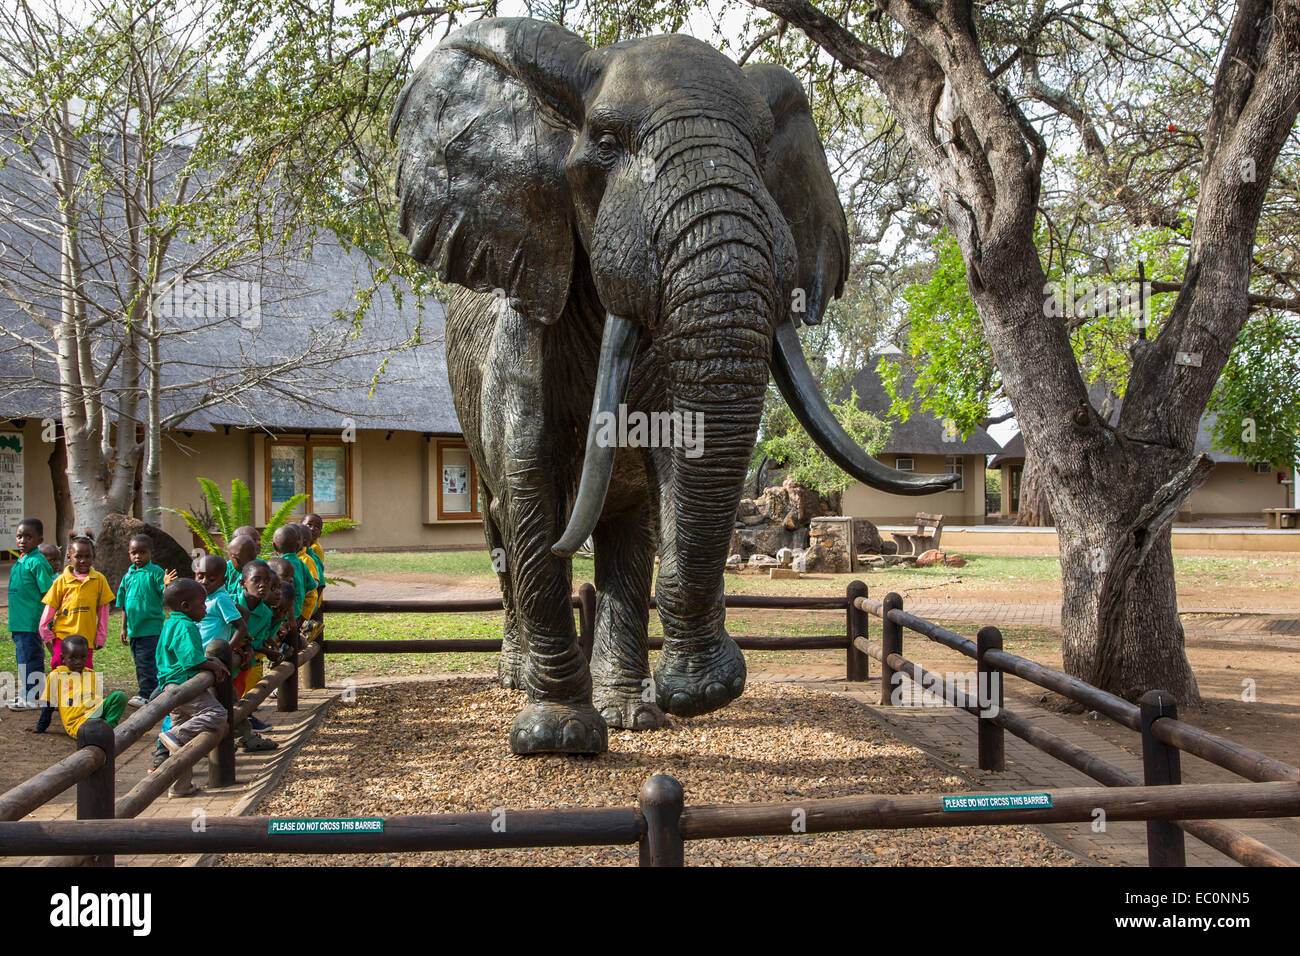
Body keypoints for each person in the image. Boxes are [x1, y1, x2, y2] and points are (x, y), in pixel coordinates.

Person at [155, 578, 230, 797]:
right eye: (202, 603)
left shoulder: (170, 622)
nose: (205, 607)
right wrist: (212, 663)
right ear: (186, 606)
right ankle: (175, 734)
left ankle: (180, 786)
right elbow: (190, 659)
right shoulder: (185, 626)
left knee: (181, 745)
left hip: (171, 686)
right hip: (183, 684)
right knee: (216, 713)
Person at [116, 534, 177, 708]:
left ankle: (146, 695)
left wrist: (166, 584)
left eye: (142, 552)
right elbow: (124, 604)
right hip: (134, 630)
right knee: (140, 662)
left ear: (151, 553)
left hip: (151, 629)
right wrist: (123, 628)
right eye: (134, 553)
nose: (137, 557)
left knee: (146, 663)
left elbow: (166, 595)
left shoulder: (155, 572)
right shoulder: (128, 576)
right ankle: (157, 692)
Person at [39, 532, 114, 671]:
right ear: (69, 557)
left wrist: (100, 636)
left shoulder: (99, 580)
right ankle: (60, 692)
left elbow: (103, 611)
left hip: (86, 639)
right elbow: (50, 607)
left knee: (85, 670)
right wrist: (44, 630)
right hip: (63, 636)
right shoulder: (61, 580)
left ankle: (83, 693)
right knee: (60, 667)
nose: (83, 560)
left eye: (87, 556)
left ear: (94, 556)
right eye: (78, 556)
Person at [30, 635, 127, 736]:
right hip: (78, 724)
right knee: (91, 731)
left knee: (120, 696)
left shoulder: (91, 674)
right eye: (73, 658)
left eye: (82, 657)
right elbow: (48, 704)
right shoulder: (56, 675)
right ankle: (101, 732)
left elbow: (98, 702)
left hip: (95, 715)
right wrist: (41, 726)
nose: (78, 662)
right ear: (63, 658)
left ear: (87, 656)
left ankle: (108, 729)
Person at [6, 518, 55, 710]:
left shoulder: (37, 562)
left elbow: (48, 593)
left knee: (31, 658)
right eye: (19, 536)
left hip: (31, 621)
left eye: (28, 537)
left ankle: (33, 696)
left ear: (39, 539)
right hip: (18, 622)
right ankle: (27, 692)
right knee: (23, 658)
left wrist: (47, 620)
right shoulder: (21, 560)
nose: (22, 540)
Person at [232, 560, 277, 750]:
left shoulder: (265, 613)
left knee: (238, 697)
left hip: (245, 665)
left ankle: (240, 735)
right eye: (256, 580)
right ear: (243, 584)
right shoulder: (230, 604)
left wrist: (251, 648)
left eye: (267, 581)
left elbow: (259, 638)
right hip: (228, 660)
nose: (262, 585)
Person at [194, 554, 248, 654]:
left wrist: (228, 649)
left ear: (223, 581)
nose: (204, 582)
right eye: (200, 577)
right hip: (199, 653)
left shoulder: (220, 598)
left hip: (213, 655)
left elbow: (241, 626)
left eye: (212, 579)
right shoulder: (200, 596)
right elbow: (243, 611)